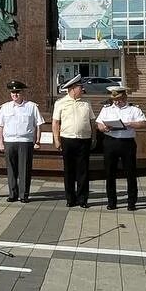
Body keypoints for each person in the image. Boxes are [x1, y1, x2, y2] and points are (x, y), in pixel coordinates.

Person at [96, 85, 146, 211]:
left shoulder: (133, 109)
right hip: (110, 141)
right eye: (115, 100)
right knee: (109, 173)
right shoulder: (106, 109)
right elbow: (99, 124)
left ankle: (131, 202)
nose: (117, 102)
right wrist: (103, 127)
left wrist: (129, 123)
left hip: (127, 143)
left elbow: (143, 123)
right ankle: (112, 202)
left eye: (119, 99)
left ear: (125, 97)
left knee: (130, 173)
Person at [0, 80, 44, 203]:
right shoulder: (5, 107)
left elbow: (39, 125)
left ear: (22, 93)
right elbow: (0, 126)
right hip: (9, 141)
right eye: (12, 92)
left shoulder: (31, 106)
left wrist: (37, 141)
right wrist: (0, 143)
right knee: (11, 169)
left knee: (25, 169)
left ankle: (24, 195)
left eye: (17, 92)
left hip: (25, 141)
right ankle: (13, 194)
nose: (15, 95)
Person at [52, 74, 96, 208]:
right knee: (69, 170)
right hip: (68, 140)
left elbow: (92, 122)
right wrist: (56, 140)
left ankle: (82, 199)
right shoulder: (60, 103)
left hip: (84, 140)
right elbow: (55, 123)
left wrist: (94, 137)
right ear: (72, 89)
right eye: (80, 87)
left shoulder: (86, 103)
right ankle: (70, 198)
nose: (82, 90)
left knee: (83, 171)